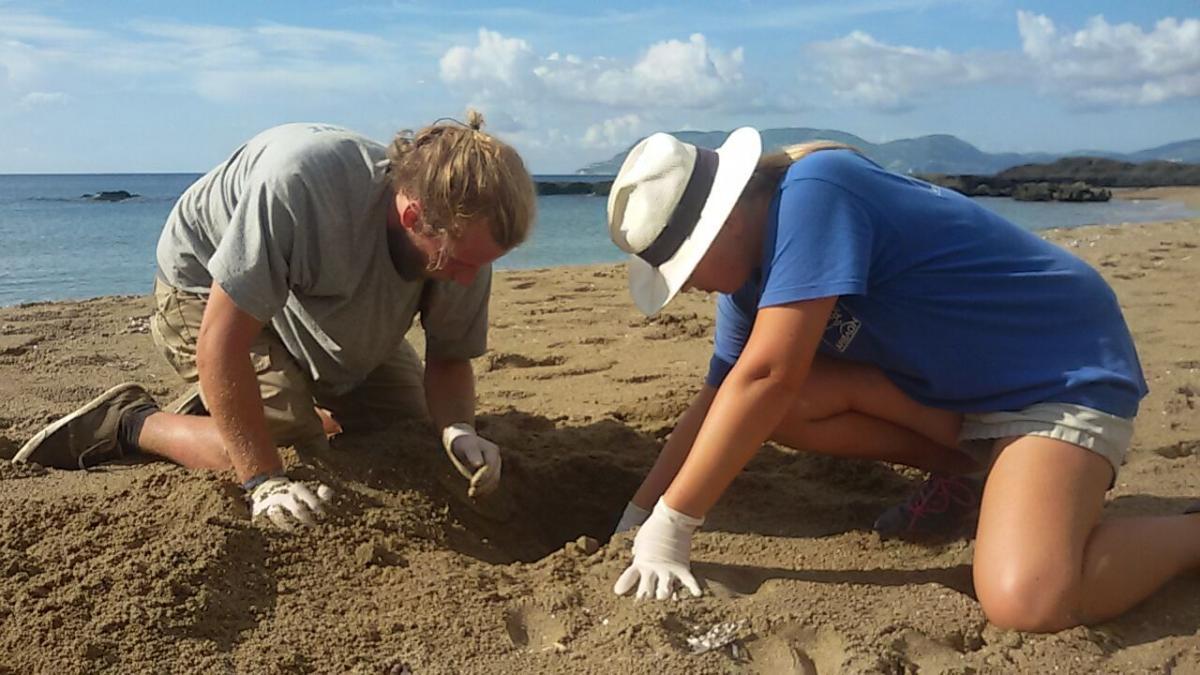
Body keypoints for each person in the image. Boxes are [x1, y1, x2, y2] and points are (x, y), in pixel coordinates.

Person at [603, 128, 1200, 632]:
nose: (684, 287)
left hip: (1057, 369)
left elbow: (768, 374)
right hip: (957, 393)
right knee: (759, 409)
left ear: (727, 221)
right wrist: (635, 515)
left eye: (681, 266)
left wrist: (674, 524)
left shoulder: (816, 191)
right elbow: (720, 400)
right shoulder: (748, 283)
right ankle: (975, 473)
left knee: (1028, 599)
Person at [15, 112, 537, 531]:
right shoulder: (302, 184)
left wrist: (457, 428)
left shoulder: (465, 240)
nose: (470, 281)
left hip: (310, 298)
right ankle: (131, 423)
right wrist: (262, 480)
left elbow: (448, 357)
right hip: (205, 285)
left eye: (484, 263)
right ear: (413, 217)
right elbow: (222, 340)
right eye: (461, 263)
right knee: (283, 444)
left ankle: (241, 398)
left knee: (405, 427)